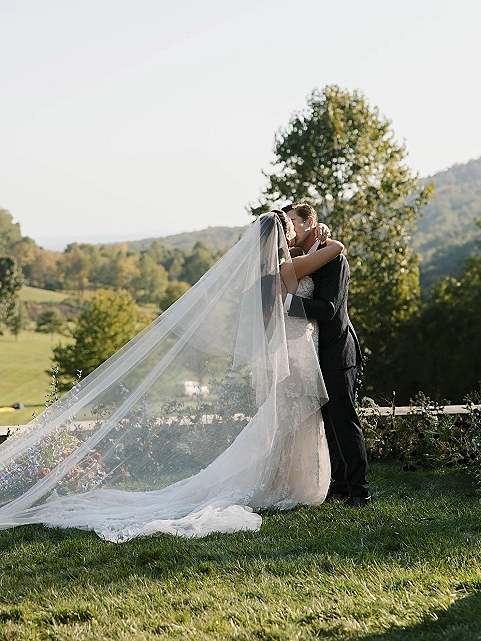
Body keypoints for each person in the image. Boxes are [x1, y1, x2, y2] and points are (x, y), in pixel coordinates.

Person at [0, 213, 344, 542]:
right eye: (289, 231)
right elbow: (335, 250)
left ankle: (287, 482)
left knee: (288, 419)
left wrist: (302, 240)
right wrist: (324, 235)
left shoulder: (268, 269)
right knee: (295, 418)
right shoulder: (288, 266)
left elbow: (298, 259)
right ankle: (292, 485)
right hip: (297, 352)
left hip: (289, 349)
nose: (293, 236)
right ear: (281, 237)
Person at [282, 203, 370, 507]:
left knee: (344, 419)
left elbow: (330, 308)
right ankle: (341, 484)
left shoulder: (335, 259)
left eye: (293, 221)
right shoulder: (303, 257)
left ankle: (361, 490)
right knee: (327, 422)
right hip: (313, 352)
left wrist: (286, 305)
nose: (289, 229)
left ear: (309, 223)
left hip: (336, 347)